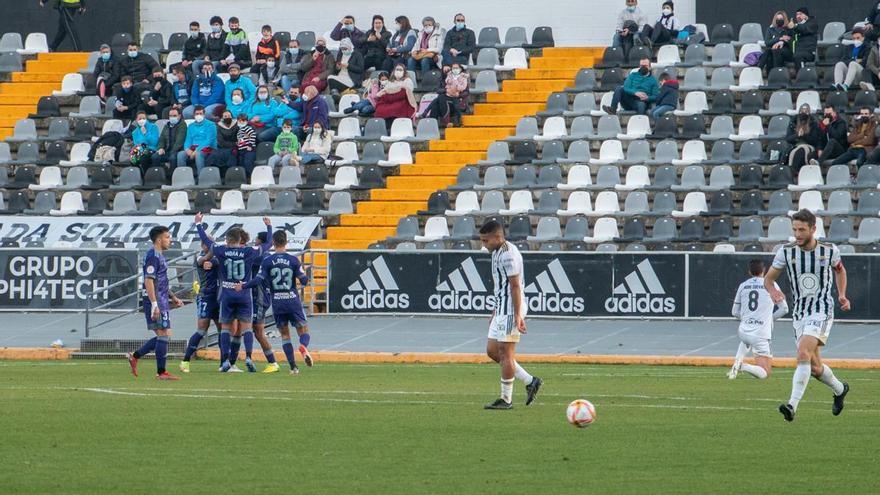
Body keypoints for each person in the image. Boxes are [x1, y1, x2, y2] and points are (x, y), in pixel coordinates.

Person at [765, 209, 850, 422]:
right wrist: (773, 291)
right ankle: (840, 390)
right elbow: (768, 279)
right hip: (800, 313)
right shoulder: (786, 252)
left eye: (802, 229)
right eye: (795, 229)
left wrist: (841, 295)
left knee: (803, 352)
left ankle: (792, 406)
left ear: (813, 229)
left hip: (821, 309)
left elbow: (840, 270)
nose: (798, 234)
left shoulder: (830, 251)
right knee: (813, 367)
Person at [195, 213, 271, 373]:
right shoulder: (249, 251)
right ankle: (249, 357)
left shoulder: (221, 250)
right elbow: (269, 243)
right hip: (244, 293)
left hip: (227, 294)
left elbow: (207, 241)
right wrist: (269, 226)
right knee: (247, 328)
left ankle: (224, 362)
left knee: (225, 329)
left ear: (228, 239)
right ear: (240, 240)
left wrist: (198, 224)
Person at [478, 220, 542, 410]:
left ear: (497, 237)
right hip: (502, 308)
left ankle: (506, 400)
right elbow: (501, 287)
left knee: (506, 354)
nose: (483, 244)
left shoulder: (508, 255)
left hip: (511, 309)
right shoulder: (497, 251)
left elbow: (514, 286)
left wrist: (517, 315)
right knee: (492, 351)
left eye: (485, 241)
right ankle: (530, 381)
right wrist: (495, 310)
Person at [238, 229, 313, 374]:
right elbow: (304, 280)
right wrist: (305, 275)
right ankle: (303, 346)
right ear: (286, 242)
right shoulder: (293, 260)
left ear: (273, 243)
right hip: (292, 300)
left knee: (285, 335)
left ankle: (293, 367)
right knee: (304, 330)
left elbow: (258, 280)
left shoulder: (267, 261)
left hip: (277, 302)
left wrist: (243, 286)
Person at [126, 225, 184, 380]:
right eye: (167, 237)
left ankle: (135, 356)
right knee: (163, 335)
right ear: (159, 239)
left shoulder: (159, 255)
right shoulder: (153, 256)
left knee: (165, 335)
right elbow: (148, 281)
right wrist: (154, 304)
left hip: (163, 299)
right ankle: (161, 372)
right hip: (156, 300)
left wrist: (172, 296)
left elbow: (160, 280)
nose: (170, 240)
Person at [727, 259, 788, 380]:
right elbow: (784, 309)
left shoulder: (743, 285)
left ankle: (736, 363)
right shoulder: (772, 285)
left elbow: (734, 312)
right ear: (764, 270)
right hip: (760, 334)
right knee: (765, 372)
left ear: (749, 272)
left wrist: (747, 318)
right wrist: (769, 319)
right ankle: (742, 366)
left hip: (743, 331)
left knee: (746, 341)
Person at [179, 239, 221, 373]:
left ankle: (224, 363)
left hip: (219, 297)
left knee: (223, 330)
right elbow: (205, 260)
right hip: (205, 297)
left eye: (213, 243)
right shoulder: (200, 257)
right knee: (202, 329)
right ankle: (185, 361)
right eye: (209, 243)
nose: (212, 245)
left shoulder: (217, 258)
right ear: (203, 245)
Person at [177, 106, 217, 172]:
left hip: (208, 148)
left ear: (204, 114)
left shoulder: (211, 125)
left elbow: (209, 141)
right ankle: (184, 176)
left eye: (200, 114)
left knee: (198, 154)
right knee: (180, 154)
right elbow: (188, 140)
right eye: (197, 114)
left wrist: (196, 151)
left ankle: (201, 177)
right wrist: (187, 149)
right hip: (193, 147)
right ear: (193, 115)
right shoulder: (191, 126)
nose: (199, 115)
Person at [785, 103, 821, 170]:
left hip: (809, 146)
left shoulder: (813, 123)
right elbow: (788, 138)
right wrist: (797, 135)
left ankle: (795, 171)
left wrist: (804, 135)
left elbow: (815, 140)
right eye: (802, 111)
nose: (804, 113)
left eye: (806, 112)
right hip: (795, 146)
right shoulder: (793, 122)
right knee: (791, 152)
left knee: (801, 151)